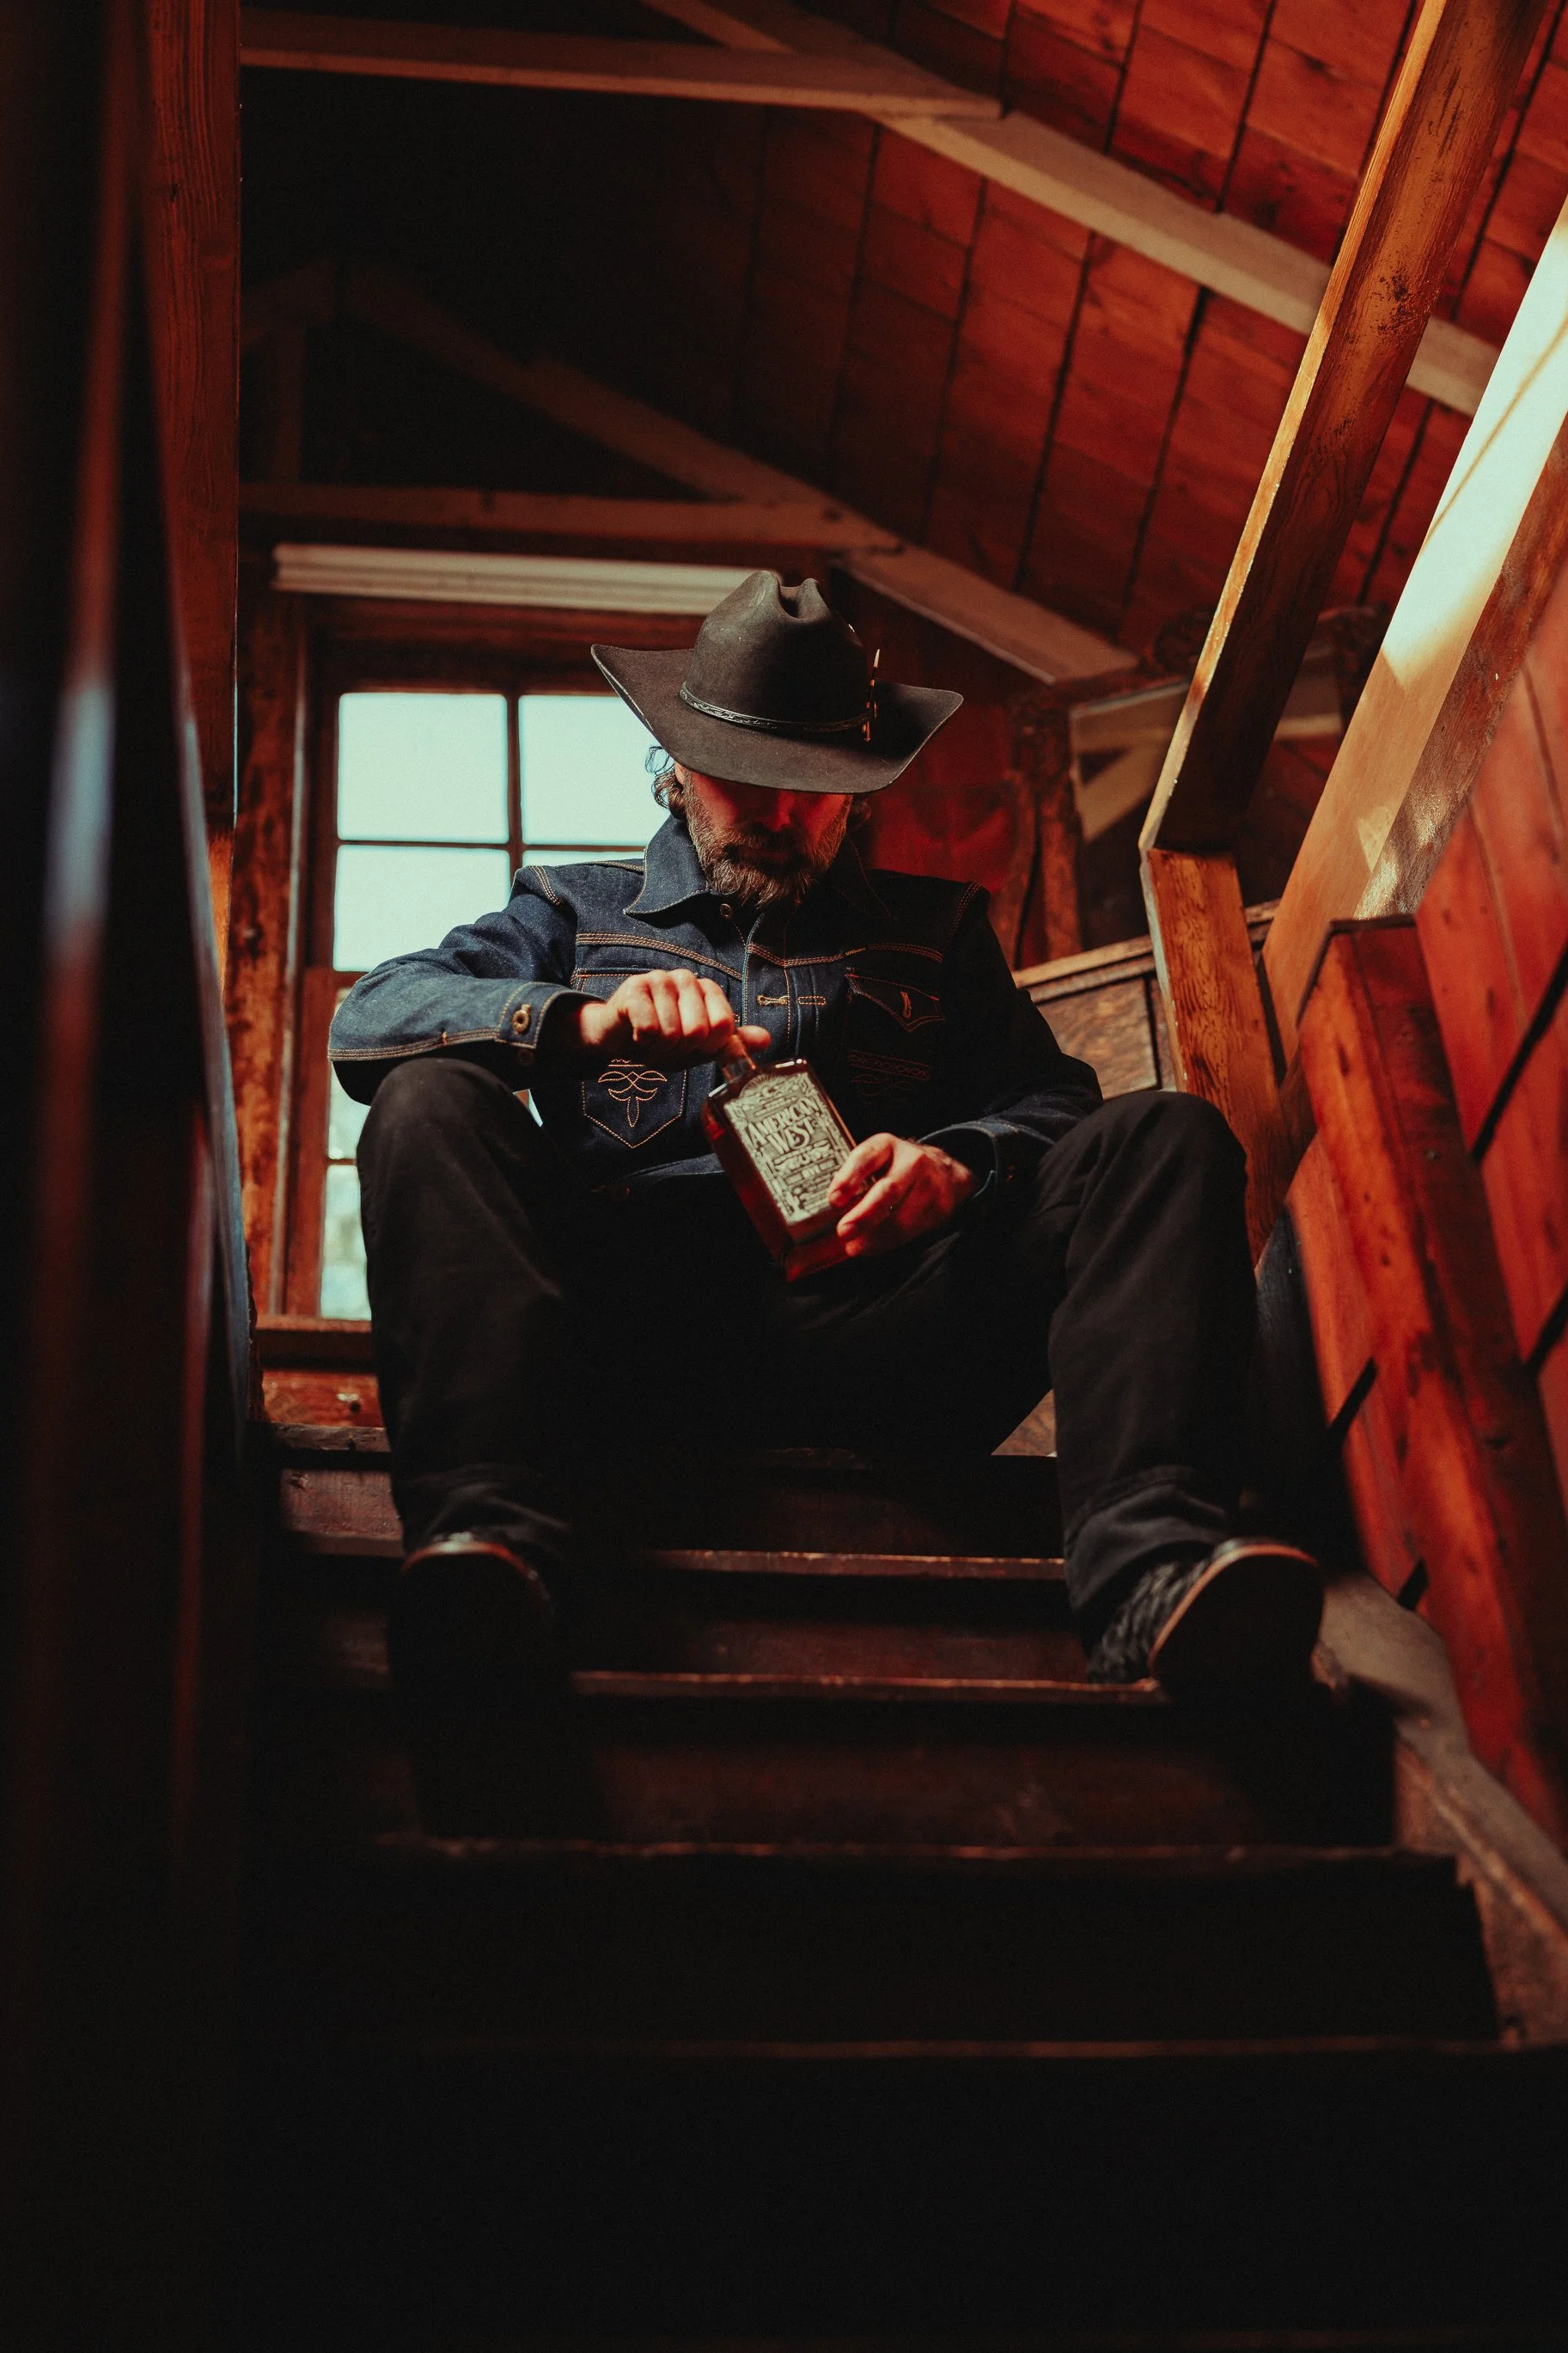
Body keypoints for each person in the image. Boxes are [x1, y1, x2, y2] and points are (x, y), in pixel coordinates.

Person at [332, 571, 1321, 1704]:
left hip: (884, 1339)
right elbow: (370, 1019)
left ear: (859, 790)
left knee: (1167, 1136)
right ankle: (490, 1558)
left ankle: (1152, 1573)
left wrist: (960, 1160)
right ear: (674, 765)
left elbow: (1058, 1107)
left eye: (814, 788)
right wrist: (582, 1021)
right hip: (625, 1339)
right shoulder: (570, 909)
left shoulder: (938, 931)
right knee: (424, 1101)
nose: (780, 813)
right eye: (744, 779)